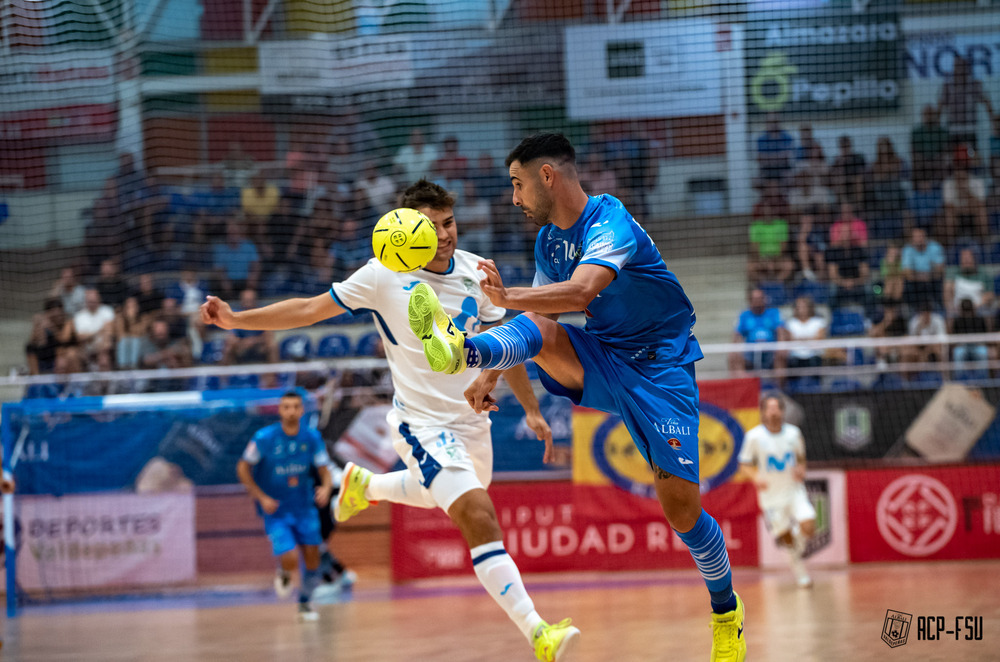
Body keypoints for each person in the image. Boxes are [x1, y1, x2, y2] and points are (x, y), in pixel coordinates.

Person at [201, 179, 578, 662]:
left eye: (449, 223)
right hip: (421, 424)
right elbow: (309, 310)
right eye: (431, 226)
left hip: (471, 421)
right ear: (407, 229)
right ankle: (538, 632)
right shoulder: (383, 275)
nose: (444, 235)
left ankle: (365, 486)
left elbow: (506, 345)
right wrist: (236, 320)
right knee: (477, 513)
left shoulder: (477, 271)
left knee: (455, 492)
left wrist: (529, 408)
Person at [407, 133, 746, 661]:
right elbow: (542, 320)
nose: (514, 199)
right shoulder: (548, 243)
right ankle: (462, 353)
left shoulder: (609, 219)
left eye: (518, 185)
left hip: (661, 368)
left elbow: (582, 291)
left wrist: (504, 296)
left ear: (548, 177)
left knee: (682, 513)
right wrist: (490, 373)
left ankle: (726, 609)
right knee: (537, 333)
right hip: (603, 355)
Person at [236, 391, 333, 622]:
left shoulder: (311, 438)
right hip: (276, 510)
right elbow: (243, 467)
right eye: (286, 407)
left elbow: (323, 468)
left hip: (304, 508)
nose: (291, 411)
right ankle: (285, 571)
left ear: (302, 411)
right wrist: (260, 496)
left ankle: (305, 603)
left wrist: (327, 488)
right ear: (279, 411)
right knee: (289, 555)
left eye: (295, 407)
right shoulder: (263, 438)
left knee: (312, 558)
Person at [738, 394, 815, 589]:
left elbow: (800, 456)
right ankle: (800, 572)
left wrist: (801, 468)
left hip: (794, 490)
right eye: (769, 408)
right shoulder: (754, 437)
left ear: (782, 411)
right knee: (786, 537)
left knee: (809, 524)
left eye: (776, 408)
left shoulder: (793, 433)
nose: (773, 412)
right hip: (771, 496)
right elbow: (744, 463)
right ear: (763, 412)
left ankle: (796, 551)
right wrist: (756, 478)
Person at [731, 287, 784, 374]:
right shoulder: (744, 315)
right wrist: (734, 350)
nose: (758, 301)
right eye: (755, 299)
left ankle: (779, 387)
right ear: (750, 300)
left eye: (760, 298)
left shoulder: (773, 313)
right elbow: (736, 335)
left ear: (765, 299)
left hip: (771, 351)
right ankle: (744, 386)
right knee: (735, 358)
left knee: (781, 357)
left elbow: (781, 332)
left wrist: (781, 346)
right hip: (750, 352)